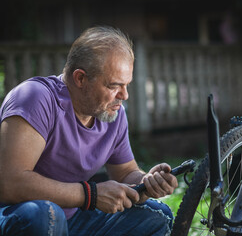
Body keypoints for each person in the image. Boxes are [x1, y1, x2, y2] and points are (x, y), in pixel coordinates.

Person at [0, 26, 178, 236]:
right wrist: (90, 195)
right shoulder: (35, 98)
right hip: (16, 215)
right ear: (80, 78)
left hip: (72, 218)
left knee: (157, 215)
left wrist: (146, 182)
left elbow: (126, 173)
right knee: (45, 215)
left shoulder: (112, 113)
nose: (124, 95)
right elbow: (8, 183)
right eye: (114, 86)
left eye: (126, 85)